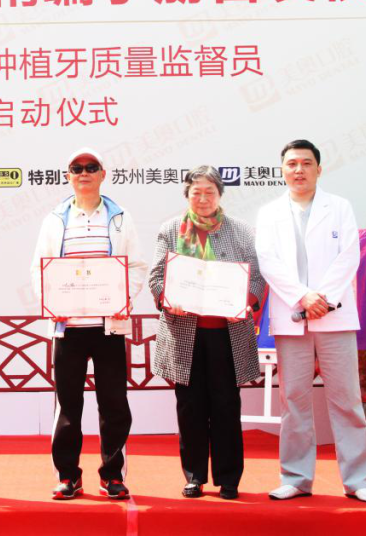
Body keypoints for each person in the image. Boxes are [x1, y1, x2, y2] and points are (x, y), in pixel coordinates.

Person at [254, 139, 366, 503]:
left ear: (319, 169)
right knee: (294, 401)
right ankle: (296, 478)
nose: (299, 170)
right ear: (282, 171)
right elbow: (268, 261)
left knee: (346, 399)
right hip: (292, 317)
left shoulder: (339, 207)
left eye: (306, 163)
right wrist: (302, 297)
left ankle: (359, 480)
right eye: (292, 164)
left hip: (334, 316)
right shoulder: (269, 213)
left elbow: (348, 257)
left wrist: (321, 298)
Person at [30, 147, 147, 500]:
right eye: (76, 168)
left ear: (102, 174)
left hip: (109, 325)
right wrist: (51, 303)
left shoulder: (120, 217)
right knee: (68, 406)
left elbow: (136, 266)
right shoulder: (55, 220)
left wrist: (124, 298)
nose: (84, 173)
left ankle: (112, 475)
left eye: (91, 167)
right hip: (67, 328)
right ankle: (68, 475)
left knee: (114, 404)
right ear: (68, 176)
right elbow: (40, 268)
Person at [148, 166, 263, 500]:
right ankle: (195, 476)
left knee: (227, 406)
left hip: (227, 334)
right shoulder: (171, 230)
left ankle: (229, 479)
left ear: (220, 195)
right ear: (187, 195)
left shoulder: (242, 231)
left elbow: (256, 277)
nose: (202, 198)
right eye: (195, 192)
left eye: (209, 192)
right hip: (184, 334)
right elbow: (156, 277)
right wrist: (167, 299)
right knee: (190, 407)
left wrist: (243, 302)